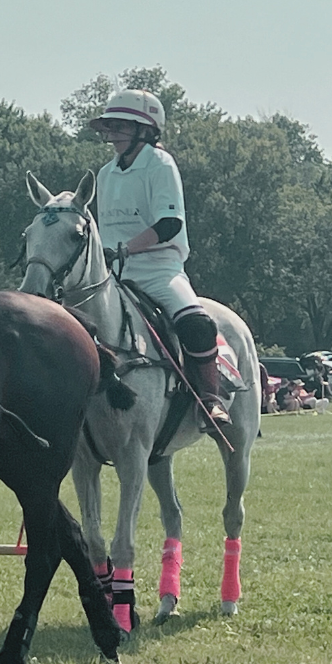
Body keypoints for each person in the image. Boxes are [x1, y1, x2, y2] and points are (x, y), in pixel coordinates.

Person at [91, 88, 231, 430]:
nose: (111, 135)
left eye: (120, 126)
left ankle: (210, 400)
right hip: (113, 275)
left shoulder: (160, 163)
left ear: (145, 129)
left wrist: (126, 248)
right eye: (110, 127)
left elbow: (169, 224)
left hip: (159, 270)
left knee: (197, 324)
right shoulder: (106, 173)